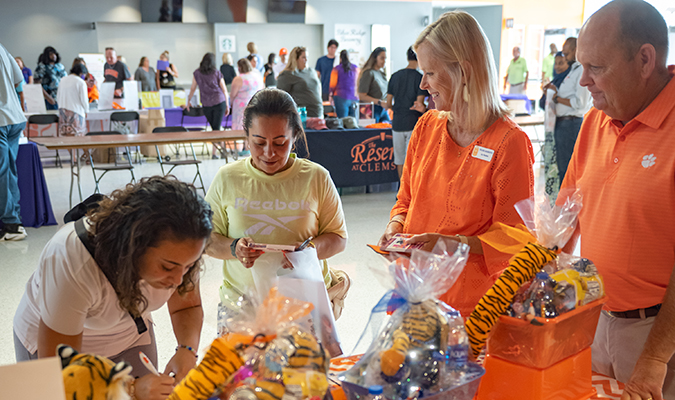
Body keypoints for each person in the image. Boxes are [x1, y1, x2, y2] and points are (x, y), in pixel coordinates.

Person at [378, 11, 535, 317]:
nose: (422, 84)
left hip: (470, 310)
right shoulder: (426, 127)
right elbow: (406, 199)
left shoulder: (508, 142)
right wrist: (395, 226)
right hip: (414, 292)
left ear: (463, 71)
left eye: (431, 73)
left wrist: (454, 245)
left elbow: (513, 238)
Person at [559, 1, 675, 398]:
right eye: (581, 67)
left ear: (645, 59)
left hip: (659, 337)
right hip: (594, 319)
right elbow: (563, 217)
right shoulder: (595, 119)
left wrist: (655, 359)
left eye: (597, 68)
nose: (583, 82)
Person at [13, 176, 212, 399]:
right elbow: (61, 370)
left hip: (129, 334)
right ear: (134, 244)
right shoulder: (72, 259)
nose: (177, 281)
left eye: (189, 266)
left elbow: (186, 307)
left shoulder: (181, 251)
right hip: (58, 345)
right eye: (168, 267)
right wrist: (132, 388)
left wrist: (186, 350)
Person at [204, 88, 347, 305]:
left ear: (295, 136)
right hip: (242, 303)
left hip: (304, 299)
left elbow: (338, 238)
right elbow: (206, 239)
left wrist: (309, 251)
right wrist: (235, 248)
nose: (269, 153)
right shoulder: (228, 178)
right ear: (246, 137)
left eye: (280, 143)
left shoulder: (316, 177)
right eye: (259, 143)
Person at [548, 37, 591, 186]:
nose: (564, 57)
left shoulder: (581, 71)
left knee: (567, 168)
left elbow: (580, 103)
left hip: (571, 124)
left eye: (566, 54)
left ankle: (566, 207)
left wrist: (557, 99)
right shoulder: (572, 70)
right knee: (561, 167)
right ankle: (561, 202)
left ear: (575, 50)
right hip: (561, 123)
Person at [385, 46, 428, 178]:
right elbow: (418, 104)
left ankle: (401, 190)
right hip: (413, 122)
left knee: (399, 158)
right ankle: (410, 193)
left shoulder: (395, 76)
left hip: (397, 121)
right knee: (412, 158)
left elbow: (388, 103)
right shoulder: (420, 78)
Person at [0, 43, 27, 241]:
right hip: (15, 117)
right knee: (9, 171)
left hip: (1, 121)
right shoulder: (3, 49)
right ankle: (14, 221)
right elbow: (19, 79)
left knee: (3, 173)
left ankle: (11, 224)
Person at [540, 52, 571, 199]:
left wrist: (556, 97)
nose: (558, 67)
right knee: (554, 162)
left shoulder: (569, 80)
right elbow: (542, 103)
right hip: (554, 125)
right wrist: (547, 93)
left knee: (564, 165)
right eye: (556, 63)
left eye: (561, 63)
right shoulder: (556, 80)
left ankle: (562, 200)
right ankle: (553, 198)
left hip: (568, 124)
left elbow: (579, 104)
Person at [187, 53, 230, 132]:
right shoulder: (216, 73)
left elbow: (193, 88)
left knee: (215, 128)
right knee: (215, 128)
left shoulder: (197, 73)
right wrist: (227, 104)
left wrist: (188, 100)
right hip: (219, 102)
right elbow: (224, 90)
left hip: (206, 103)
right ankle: (218, 143)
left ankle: (216, 143)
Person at [277, 47, 323, 118]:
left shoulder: (311, 71)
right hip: (303, 116)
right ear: (295, 59)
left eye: (307, 57)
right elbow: (281, 98)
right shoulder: (288, 74)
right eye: (303, 57)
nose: (306, 60)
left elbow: (318, 88)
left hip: (318, 113)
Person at [358, 47, 390, 123]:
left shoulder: (382, 74)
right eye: (382, 58)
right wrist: (380, 102)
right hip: (369, 109)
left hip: (383, 109)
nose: (384, 61)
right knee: (371, 134)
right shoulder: (368, 73)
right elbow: (362, 96)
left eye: (385, 58)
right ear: (375, 58)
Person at [230, 58, 264, 131]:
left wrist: (231, 103)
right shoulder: (257, 75)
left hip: (241, 106)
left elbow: (232, 95)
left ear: (239, 68)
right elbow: (262, 89)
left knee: (241, 126)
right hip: (256, 104)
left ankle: (242, 141)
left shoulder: (239, 78)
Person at [56, 63, 89, 137]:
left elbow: (58, 96)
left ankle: (71, 149)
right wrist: (86, 110)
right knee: (79, 136)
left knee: (67, 137)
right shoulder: (81, 82)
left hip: (63, 112)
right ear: (81, 73)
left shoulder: (63, 80)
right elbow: (84, 100)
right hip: (77, 112)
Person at [330, 50, 359, 118]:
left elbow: (332, 84)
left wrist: (331, 94)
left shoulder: (336, 69)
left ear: (340, 58)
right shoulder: (356, 68)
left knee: (343, 121)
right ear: (348, 57)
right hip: (354, 98)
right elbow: (359, 82)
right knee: (354, 122)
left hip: (341, 97)